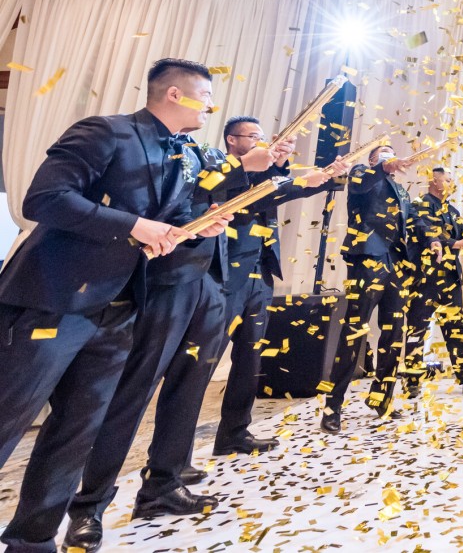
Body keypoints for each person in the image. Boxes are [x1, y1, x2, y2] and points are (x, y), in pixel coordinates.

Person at [0, 58, 230, 553]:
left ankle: (31, 541)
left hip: (121, 307)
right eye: (205, 95)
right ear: (175, 95)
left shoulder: (188, 154)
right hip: (54, 299)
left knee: (75, 432)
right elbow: (43, 199)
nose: (212, 105)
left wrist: (191, 231)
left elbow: (160, 227)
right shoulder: (106, 132)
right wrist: (132, 225)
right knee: (6, 417)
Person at [64, 128, 276, 553]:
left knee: (189, 387)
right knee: (133, 392)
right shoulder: (153, 154)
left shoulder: (204, 154)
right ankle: (89, 506)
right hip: (168, 280)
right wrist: (239, 167)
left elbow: (223, 193)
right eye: (204, 96)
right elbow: (169, 199)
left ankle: (163, 482)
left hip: (211, 282)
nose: (208, 104)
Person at [213, 116, 348, 455]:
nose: (259, 142)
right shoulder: (218, 170)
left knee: (250, 358)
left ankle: (234, 432)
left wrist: (324, 174)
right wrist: (273, 165)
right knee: (204, 361)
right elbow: (252, 194)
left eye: (262, 137)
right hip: (226, 275)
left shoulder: (264, 175)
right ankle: (172, 457)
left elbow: (285, 190)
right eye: (253, 136)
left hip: (261, 274)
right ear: (232, 140)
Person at [323, 144, 415, 432]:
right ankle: (332, 406)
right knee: (355, 330)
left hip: (397, 263)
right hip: (367, 258)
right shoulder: (361, 173)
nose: (389, 154)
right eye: (384, 152)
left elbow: (409, 225)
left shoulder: (402, 191)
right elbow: (363, 185)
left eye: (392, 151)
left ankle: (381, 398)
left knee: (394, 333)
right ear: (373, 159)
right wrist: (383, 167)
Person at [403, 167, 463, 398]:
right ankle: (411, 379)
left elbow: (461, 239)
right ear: (434, 180)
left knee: (456, 328)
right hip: (425, 278)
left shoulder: (452, 210)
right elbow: (424, 231)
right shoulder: (419, 204)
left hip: (450, 277)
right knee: (417, 329)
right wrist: (454, 243)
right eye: (448, 179)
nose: (451, 183)